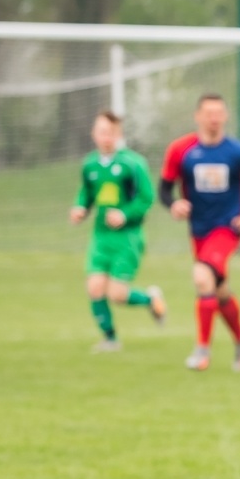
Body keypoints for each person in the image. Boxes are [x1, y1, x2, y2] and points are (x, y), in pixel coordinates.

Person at [160, 93, 240, 371]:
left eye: (219, 113)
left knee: (201, 277)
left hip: (228, 228)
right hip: (198, 229)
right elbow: (164, 187)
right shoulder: (180, 150)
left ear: (226, 116)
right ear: (197, 116)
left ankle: (202, 351)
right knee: (217, 291)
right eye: (208, 113)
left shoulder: (237, 152)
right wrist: (174, 204)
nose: (214, 118)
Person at [70, 111, 167, 352]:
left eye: (111, 133)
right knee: (94, 287)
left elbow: (147, 198)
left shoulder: (133, 164)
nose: (106, 137)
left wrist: (125, 214)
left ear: (119, 135)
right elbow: (87, 192)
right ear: (94, 134)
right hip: (101, 237)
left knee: (117, 294)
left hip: (128, 238)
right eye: (102, 132)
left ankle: (151, 299)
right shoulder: (90, 164)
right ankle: (110, 339)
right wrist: (80, 208)